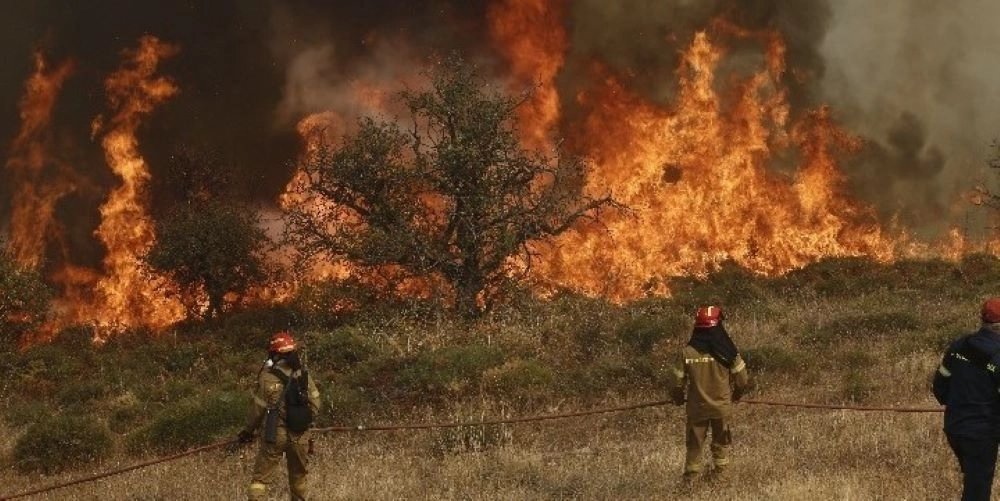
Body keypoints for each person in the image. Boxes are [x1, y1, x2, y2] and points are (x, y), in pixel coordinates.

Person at [669, 305, 751, 484]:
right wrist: (736, 395)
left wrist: (676, 397)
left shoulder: (687, 353)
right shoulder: (728, 351)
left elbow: (677, 382)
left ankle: (690, 483)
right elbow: (743, 380)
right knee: (721, 445)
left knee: (694, 447)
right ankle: (721, 479)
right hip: (721, 408)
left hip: (697, 409)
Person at [237, 331, 322, 501]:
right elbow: (316, 403)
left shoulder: (267, 377)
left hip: (275, 434)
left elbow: (258, 409)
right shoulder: (303, 375)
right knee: (298, 478)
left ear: (274, 354)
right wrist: (302, 421)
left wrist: (247, 431)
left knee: (260, 481)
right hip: (300, 435)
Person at [933, 297, 1000, 501]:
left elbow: (939, 387)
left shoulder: (959, 345)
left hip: (955, 427)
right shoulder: (998, 355)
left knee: (974, 483)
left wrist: (960, 405)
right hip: (981, 432)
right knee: (977, 491)